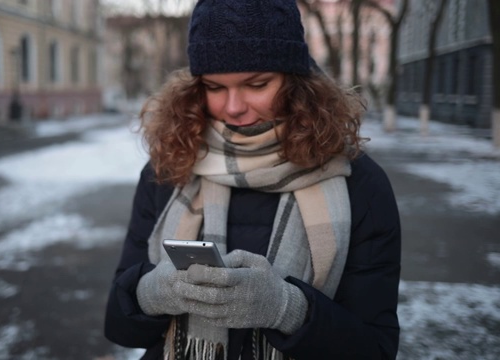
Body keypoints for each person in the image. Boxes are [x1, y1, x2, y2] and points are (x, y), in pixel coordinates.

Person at [104, 0, 401, 359]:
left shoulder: (360, 184)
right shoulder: (170, 167)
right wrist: (151, 293)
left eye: (256, 84)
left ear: (295, 81)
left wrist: (287, 309)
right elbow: (118, 325)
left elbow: (375, 349)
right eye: (214, 87)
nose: (232, 106)